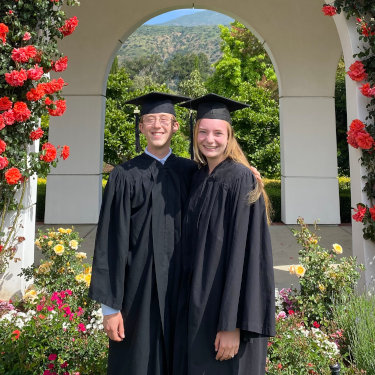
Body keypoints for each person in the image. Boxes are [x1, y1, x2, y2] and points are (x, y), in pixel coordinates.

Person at [88, 92, 198, 375]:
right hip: (138, 291)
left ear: (175, 126)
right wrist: (110, 308)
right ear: (140, 126)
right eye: (150, 119)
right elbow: (110, 243)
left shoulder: (191, 173)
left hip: (182, 288)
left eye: (164, 119)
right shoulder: (124, 175)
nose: (156, 125)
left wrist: (248, 175)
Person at [175, 93, 275, 375]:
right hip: (201, 309)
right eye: (203, 132)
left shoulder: (240, 178)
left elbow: (244, 256)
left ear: (229, 136)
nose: (210, 139)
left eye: (218, 133)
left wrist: (232, 325)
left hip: (226, 314)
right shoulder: (198, 177)